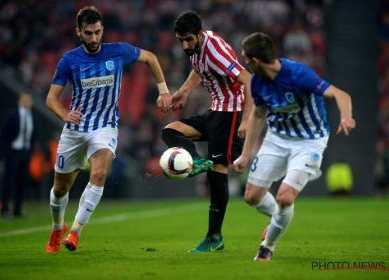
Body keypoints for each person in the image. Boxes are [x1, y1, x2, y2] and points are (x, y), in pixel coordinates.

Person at [45, 5, 171, 253]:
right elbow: (51, 98)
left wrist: (164, 90)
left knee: (100, 173)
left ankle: (76, 232)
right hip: (75, 127)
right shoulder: (69, 60)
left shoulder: (118, 51)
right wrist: (64, 114)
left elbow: (151, 58)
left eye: (98, 32)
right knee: (60, 188)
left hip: (105, 126)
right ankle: (57, 229)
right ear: (79, 32)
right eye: (89, 33)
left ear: (103, 30)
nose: (94, 38)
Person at [234, 32, 356, 261]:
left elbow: (341, 94)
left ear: (255, 61)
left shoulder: (299, 75)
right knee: (251, 196)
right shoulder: (258, 82)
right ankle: (279, 218)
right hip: (277, 138)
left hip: (309, 141)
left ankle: (267, 245)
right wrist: (245, 154)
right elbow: (258, 115)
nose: (245, 63)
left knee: (285, 198)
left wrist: (346, 116)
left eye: (246, 59)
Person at [161, 11, 253, 253]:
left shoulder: (215, 51)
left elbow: (249, 80)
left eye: (189, 39)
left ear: (199, 35)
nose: (184, 45)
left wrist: (248, 119)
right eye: (180, 40)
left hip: (231, 111)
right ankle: (195, 161)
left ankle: (214, 237)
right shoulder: (197, 48)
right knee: (170, 131)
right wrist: (184, 91)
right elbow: (199, 69)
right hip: (215, 110)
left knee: (217, 171)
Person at [0, 93, 37, 218]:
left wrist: (30, 151)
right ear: (19, 101)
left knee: (22, 182)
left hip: (25, 153)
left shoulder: (33, 117)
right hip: (13, 152)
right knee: (8, 181)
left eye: (28, 99)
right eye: (23, 99)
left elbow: (33, 135)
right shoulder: (12, 114)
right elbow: (4, 133)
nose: (26, 101)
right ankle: (5, 209)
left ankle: (17, 209)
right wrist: (3, 151)